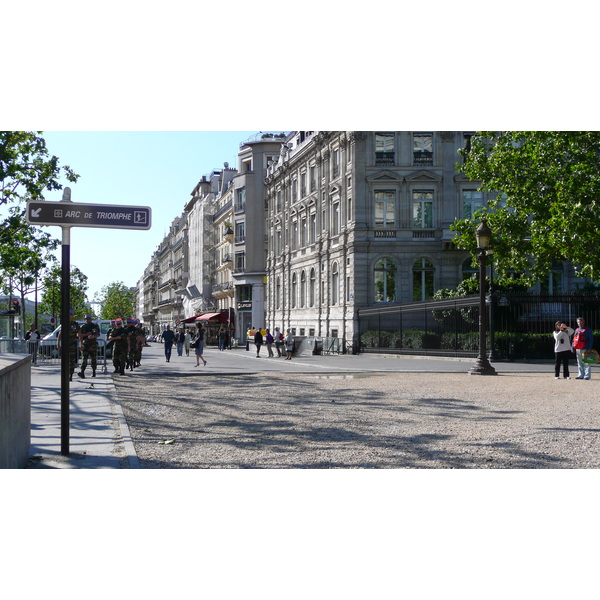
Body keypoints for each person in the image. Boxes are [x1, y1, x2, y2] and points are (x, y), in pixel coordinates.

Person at [57, 310, 81, 381]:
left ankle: (71, 375)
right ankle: (65, 374)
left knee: (72, 361)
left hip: (72, 344)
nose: (70, 315)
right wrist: (58, 343)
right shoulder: (64, 323)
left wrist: (81, 343)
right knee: (65, 360)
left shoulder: (75, 324)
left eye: (71, 314)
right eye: (69, 314)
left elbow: (79, 334)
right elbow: (60, 334)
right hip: (65, 344)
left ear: (73, 315)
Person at [78, 314, 100, 378]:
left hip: (93, 345)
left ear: (91, 319)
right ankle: (82, 372)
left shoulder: (95, 326)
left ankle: (94, 372)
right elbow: (80, 336)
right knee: (84, 359)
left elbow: (98, 334)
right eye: (86, 319)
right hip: (85, 345)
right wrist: (81, 344)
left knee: (93, 359)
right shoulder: (83, 327)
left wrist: (93, 336)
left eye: (89, 319)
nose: (88, 320)